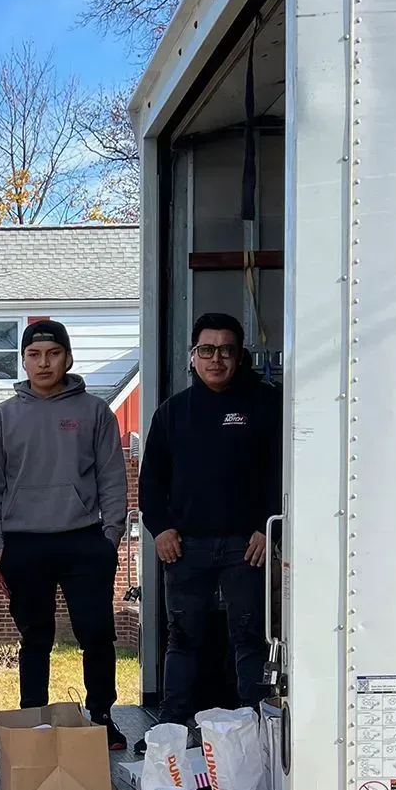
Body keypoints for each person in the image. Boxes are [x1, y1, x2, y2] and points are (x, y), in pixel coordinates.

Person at [0, 320, 129, 750]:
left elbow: (112, 478)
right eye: (34, 355)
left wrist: (111, 536)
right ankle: (34, 720)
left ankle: (101, 715)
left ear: (68, 357)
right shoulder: (2, 417)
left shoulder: (94, 412)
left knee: (96, 633)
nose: (43, 363)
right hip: (24, 543)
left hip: (85, 540)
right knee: (35, 637)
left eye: (52, 354)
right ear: (23, 361)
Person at [137, 312, 282, 732]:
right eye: (206, 350)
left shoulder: (266, 406)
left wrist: (266, 526)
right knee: (182, 640)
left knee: (249, 639)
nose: (215, 359)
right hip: (185, 546)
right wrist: (160, 528)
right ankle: (171, 726)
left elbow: (284, 472)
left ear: (240, 357)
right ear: (192, 357)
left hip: (247, 546)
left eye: (225, 350)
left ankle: (254, 730)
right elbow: (151, 483)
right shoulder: (172, 413)